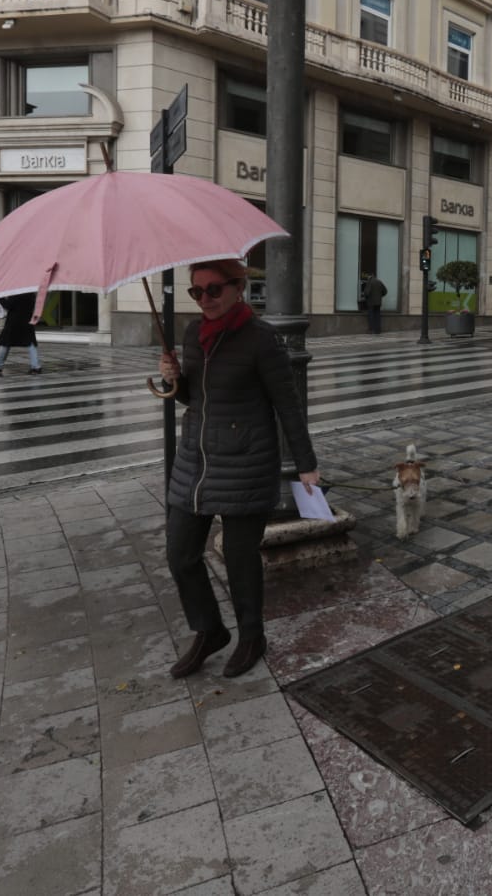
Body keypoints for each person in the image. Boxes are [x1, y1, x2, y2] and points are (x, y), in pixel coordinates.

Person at [159, 258, 320, 678]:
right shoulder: (194, 334)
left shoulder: (262, 339)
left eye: (214, 289)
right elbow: (194, 397)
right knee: (179, 554)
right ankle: (210, 630)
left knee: (239, 557)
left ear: (238, 288)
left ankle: (252, 636)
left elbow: (288, 405)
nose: (205, 299)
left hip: (247, 462)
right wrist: (172, 380)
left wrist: (306, 466)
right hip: (195, 461)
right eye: (196, 291)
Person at [0, 292, 42, 376]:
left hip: (14, 322)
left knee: (6, 342)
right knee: (30, 343)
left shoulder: (16, 293)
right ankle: (36, 366)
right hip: (27, 321)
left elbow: (8, 306)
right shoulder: (31, 294)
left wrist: (0, 298)